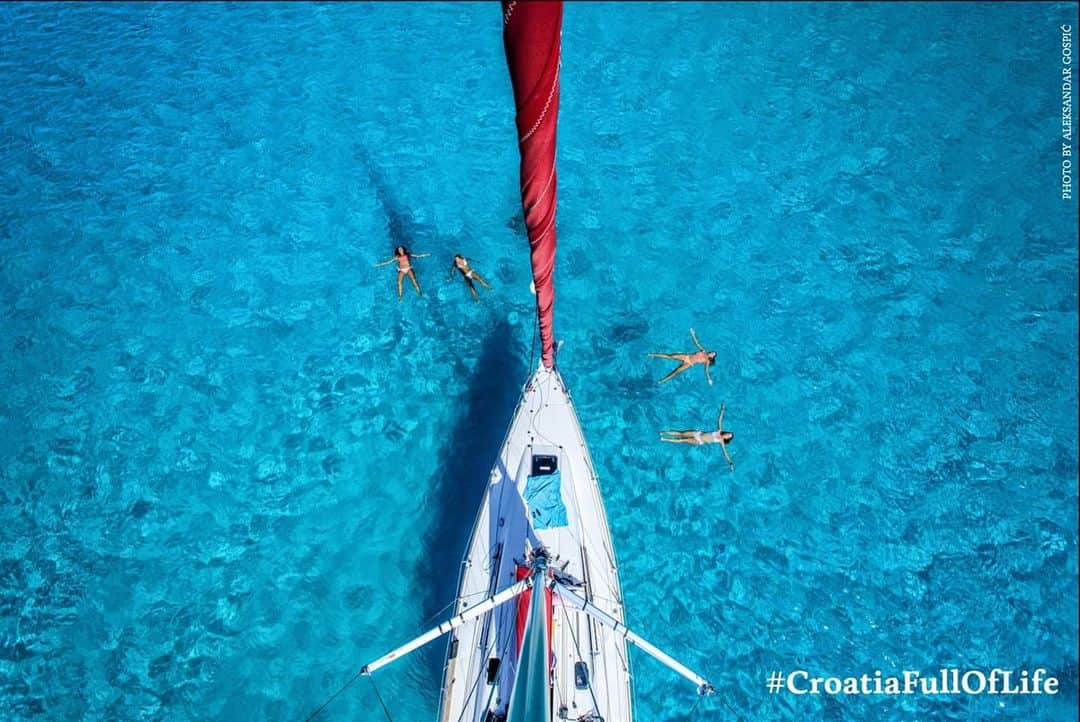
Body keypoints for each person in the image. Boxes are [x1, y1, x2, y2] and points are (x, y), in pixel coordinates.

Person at [660, 403, 735, 470]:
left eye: (729, 436)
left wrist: (730, 463)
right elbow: (719, 420)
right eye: (728, 433)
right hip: (697, 434)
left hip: (699, 441)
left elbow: (725, 453)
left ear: (727, 438)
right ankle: (664, 432)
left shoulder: (721, 442)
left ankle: (665, 438)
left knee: (682, 440)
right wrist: (722, 409)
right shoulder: (720, 431)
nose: (727, 435)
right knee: (681, 433)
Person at [647, 328, 717, 385]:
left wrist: (709, 379)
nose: (711, 353)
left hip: (689, 363)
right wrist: (693, 334)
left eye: (713, 354)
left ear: (712, 357)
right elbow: (697, 343)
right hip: (686, 356)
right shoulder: (703, 351)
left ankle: (662, 381)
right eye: (712, 352)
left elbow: (706, 370)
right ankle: (652, 354)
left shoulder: (707, 361)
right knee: (670, 356)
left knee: (676, 372)